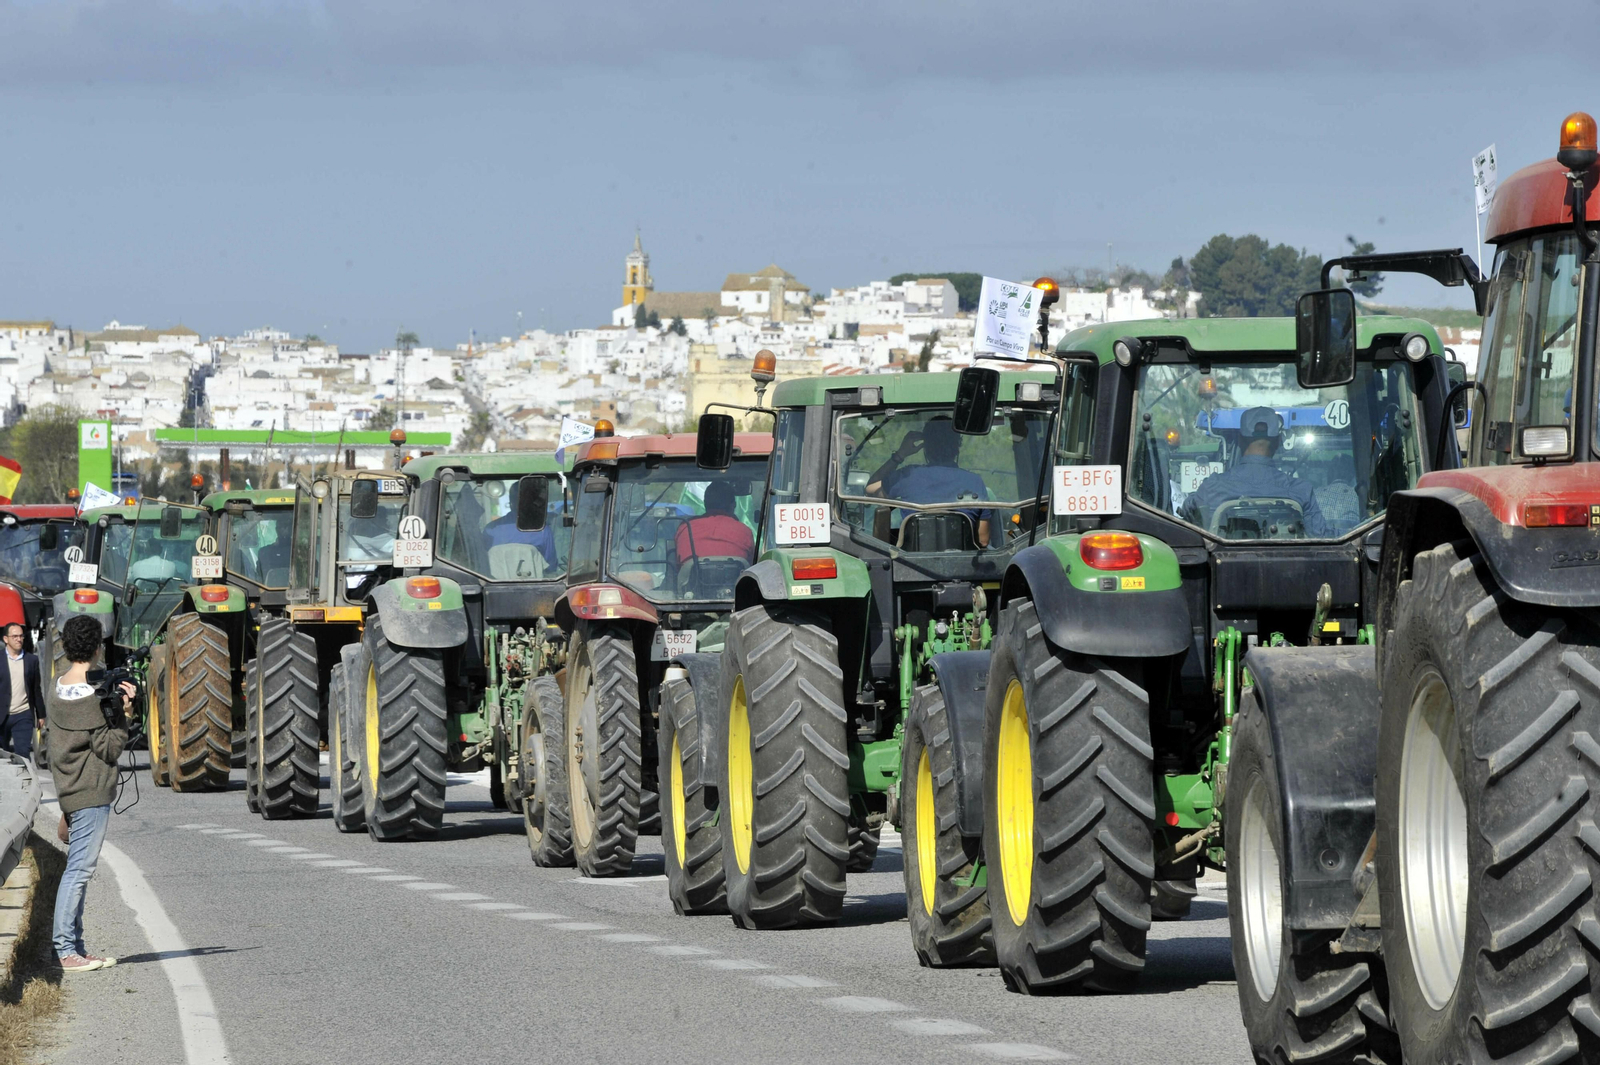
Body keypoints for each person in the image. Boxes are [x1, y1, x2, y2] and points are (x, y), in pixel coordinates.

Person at [48, 614, 134, 974]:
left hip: (68, 787)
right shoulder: (94, 697)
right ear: (98, 647)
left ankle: (76, 946)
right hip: (91, 791)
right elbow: (109, 749)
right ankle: (66, 950)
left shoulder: (57, 686)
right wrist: (124, 713)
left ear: (66, 647)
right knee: (79, 871)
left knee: (77, 869)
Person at [1189, 406, 1326, 536]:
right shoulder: (1301, 491)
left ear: (1240, 440)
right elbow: (1320, 537)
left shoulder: (1211, 487)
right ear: (1278, 442)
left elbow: (1188, 515)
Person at [866, 419, 992, 547]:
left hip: (909, 564)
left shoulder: (907, 475)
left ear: (926, 448)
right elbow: (983, 540)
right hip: (961, 563)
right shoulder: (975, 481)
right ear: (957, 448)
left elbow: (871, 488)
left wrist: (900, 454)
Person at [484, 480, 560, 570]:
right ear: (532, 503)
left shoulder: (490, 529)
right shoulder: (543, 530)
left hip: (495, 583)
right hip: (535, 583)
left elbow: (484, 564)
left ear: (511, 502)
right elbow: (550, 567)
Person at [675, 482, 753, 562]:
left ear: (705, 503)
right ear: (733, 505)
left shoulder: (685, 528)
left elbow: (677, 564)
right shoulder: (745, 531)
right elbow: (752, 565)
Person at [0, 622, 45, 762]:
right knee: (2, 755)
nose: (19, 639)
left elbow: (36, 689)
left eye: (21, 636)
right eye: (14, 636)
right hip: (2, 715)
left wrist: (41, 714)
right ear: (5, 639)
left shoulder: (32, 660)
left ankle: (24, 783)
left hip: (23, 714)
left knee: (22, 755)